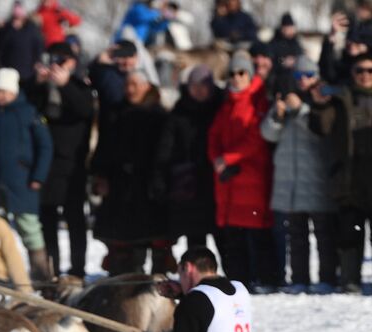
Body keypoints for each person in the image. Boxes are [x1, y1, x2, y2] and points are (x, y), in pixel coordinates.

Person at [309, 49, 372, 294]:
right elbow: (321, 127)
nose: (365, 75)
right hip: (350, 173)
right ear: (352, 73)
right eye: (360, 71)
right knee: (349, 230)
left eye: (371, 70)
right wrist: (319, 106)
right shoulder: (341, 97)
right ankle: (351, 279)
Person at [0, 67, 54, 280]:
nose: (1, 96)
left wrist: (38, 176)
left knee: (30, 230)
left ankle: (41, 276)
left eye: (5, 92)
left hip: (22, 182)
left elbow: (45, 146)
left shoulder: (28, 113)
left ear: (14, 92)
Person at [261, 57, 337, 292]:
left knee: (324, 235)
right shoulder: (286, 99)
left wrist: (301, 109)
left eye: (308, 75)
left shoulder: (322, 98)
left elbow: (322, 131)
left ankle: (327, 277)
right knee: (296, 235)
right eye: (298, 76)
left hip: (316, 179)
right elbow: (268, 135)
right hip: (290, 182)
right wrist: (277, 115)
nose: (303, 81)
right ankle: (299, 279)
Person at [90, 70, 174, 275]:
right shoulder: (116, 113)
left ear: (147, 86)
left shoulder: (160, 115)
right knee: (124, 245)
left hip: (150, 188)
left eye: (135, 85)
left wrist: (161, 181)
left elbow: (166, 151)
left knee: (156, 241)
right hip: (120, 188)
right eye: (127, 85)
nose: (130, 89)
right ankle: (124, 284)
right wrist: (100, 174)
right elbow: (104, 146)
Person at [209, 50, 277, 291]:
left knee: (258, 233)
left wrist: (227, 158)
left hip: (251, 177)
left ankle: (267, 279)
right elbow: (214, 135)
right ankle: (239, 281)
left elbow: (256, 138)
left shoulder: (257, 101)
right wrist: (217, 158)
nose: (237, 78)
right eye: (233, 73)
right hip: (228, 180)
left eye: (241, 73)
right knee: (233, 236)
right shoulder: (227, 103)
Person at [30, 41, 93, 277]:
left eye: (62, 61)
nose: (57, 66)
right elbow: (28, 106)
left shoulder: (80, 86)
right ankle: (51, 269)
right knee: (46, 220)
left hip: (72, 163)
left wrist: (65, 85)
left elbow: (85, 110)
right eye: (53, 59)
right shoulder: (40, 87)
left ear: (73, 63)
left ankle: (78, 270)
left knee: (75, 219)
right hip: (45, 162)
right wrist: (38, 82)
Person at [170, 65, 223, 254]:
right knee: (195, 241)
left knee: (224, 239)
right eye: (194, 86)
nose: (199, 90)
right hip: (190, 183)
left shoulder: (221, 106)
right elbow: (168, 147)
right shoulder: (180, 110)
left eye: (203, 85)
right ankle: (199, 279)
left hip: (217, 181)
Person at [0, 3, 45, 84]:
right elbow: (1, 45)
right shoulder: (7, 28)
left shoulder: (32, 29)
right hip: (9, 67)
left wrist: (37, 61)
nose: (18, 19)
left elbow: (38, 46)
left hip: (27, 68)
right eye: (15, 17)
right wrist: (11, 29)